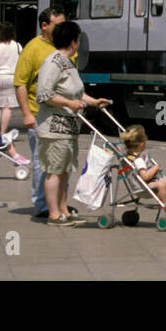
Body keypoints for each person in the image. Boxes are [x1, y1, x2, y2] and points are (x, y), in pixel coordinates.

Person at [35, 21, 109, 226]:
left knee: (65, 171)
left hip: (69, 127)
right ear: (73, 41)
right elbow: (44, 94)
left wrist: (93, 102)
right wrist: (69, 103)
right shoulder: (53, 62)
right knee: (55, 171)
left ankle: (64, 209)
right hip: (53, 127)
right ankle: (53, 214)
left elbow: (75, 93)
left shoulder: (68, 63)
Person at [15, 7, 67, 220]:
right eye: (57, 24)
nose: (61, 28)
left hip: (62, 114)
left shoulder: (62, 46)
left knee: (62, 162)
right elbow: (20, 84)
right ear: (44, 25)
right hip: (39, 115)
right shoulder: (33, 48)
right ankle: (42, 205)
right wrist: (26, 114)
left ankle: (59, 204)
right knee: (42, 162)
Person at [121, 124, 166, 209]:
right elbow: (145, 176)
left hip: (145, 185)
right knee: (160, 184)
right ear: (142, 144)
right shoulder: (138, 161)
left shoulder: (128, 157)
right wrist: (155, 168)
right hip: (143, 189)